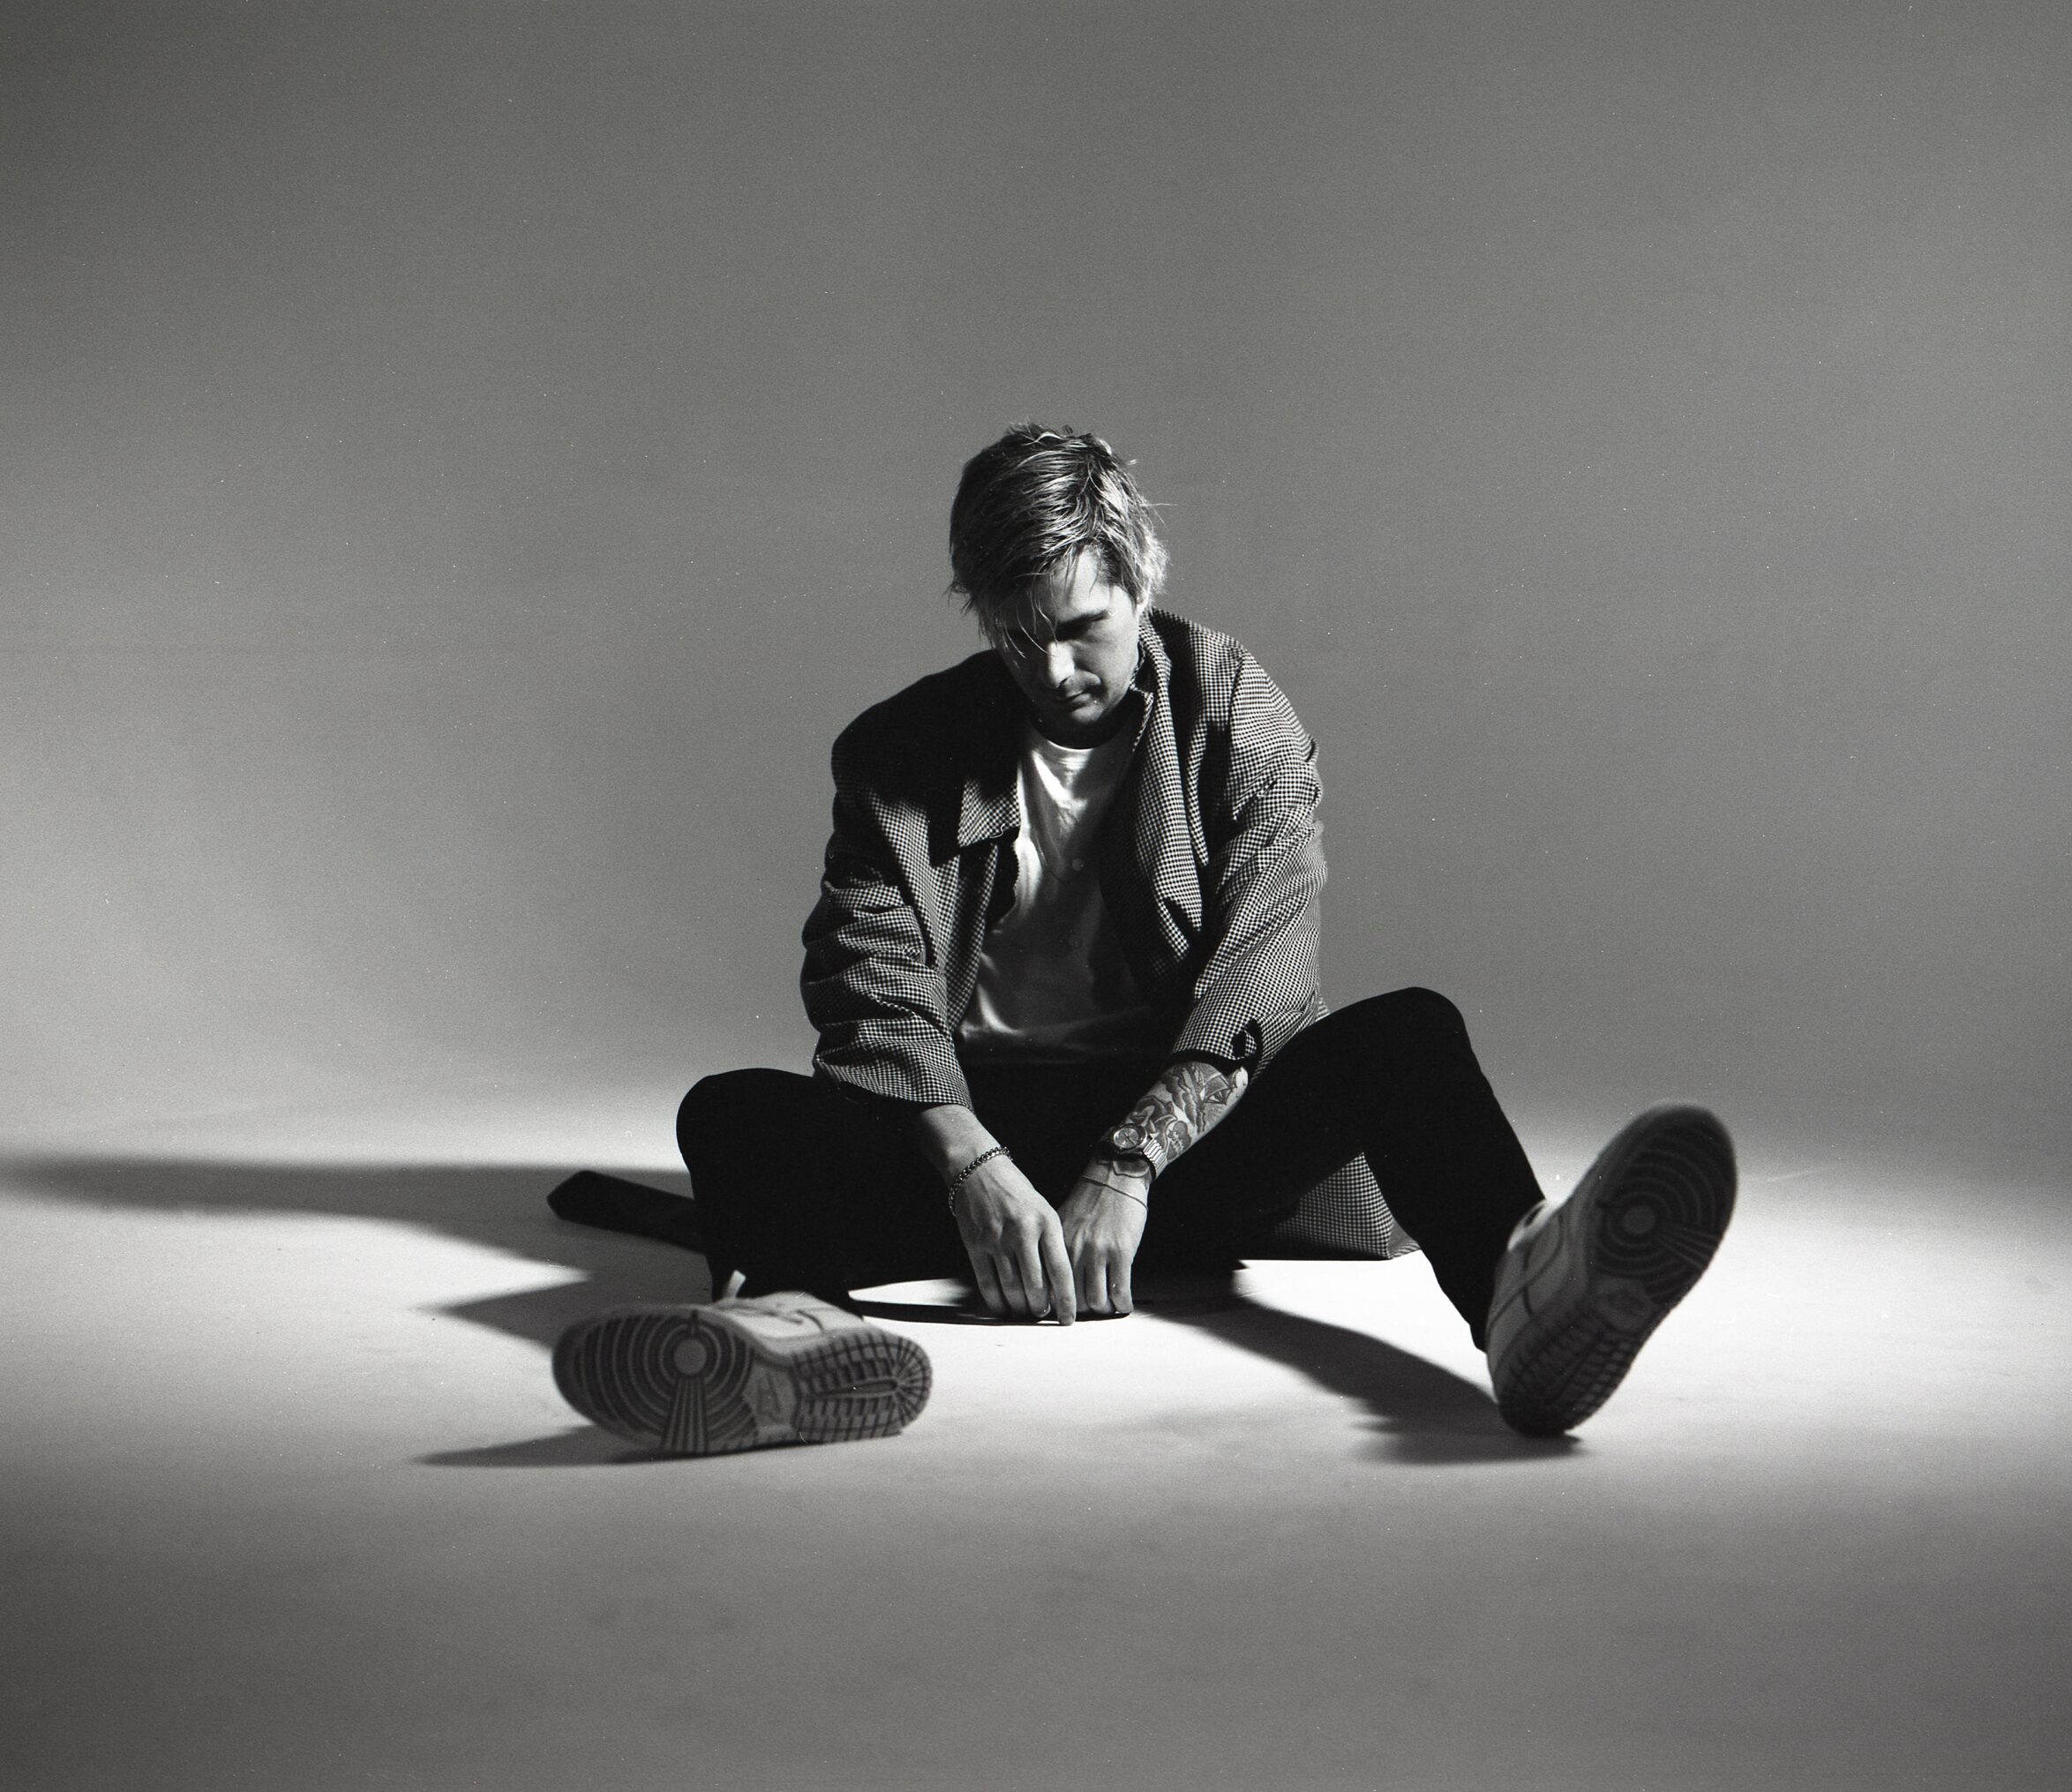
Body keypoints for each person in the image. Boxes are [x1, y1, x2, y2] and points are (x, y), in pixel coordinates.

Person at [549, 424, 1737, 1456]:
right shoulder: (898, 752)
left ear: (1139, 584)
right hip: (984, 1139)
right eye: (1018, 639)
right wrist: (970, 1166)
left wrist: (1129, 1163)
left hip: (1187, 1148)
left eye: (1083, 629)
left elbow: (1267, 973)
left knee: (1410, 1034)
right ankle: (792, 1342)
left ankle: (1526, 1296)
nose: (1054, 669)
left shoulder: (1237, 714)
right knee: (734, 1111)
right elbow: (871, 984)